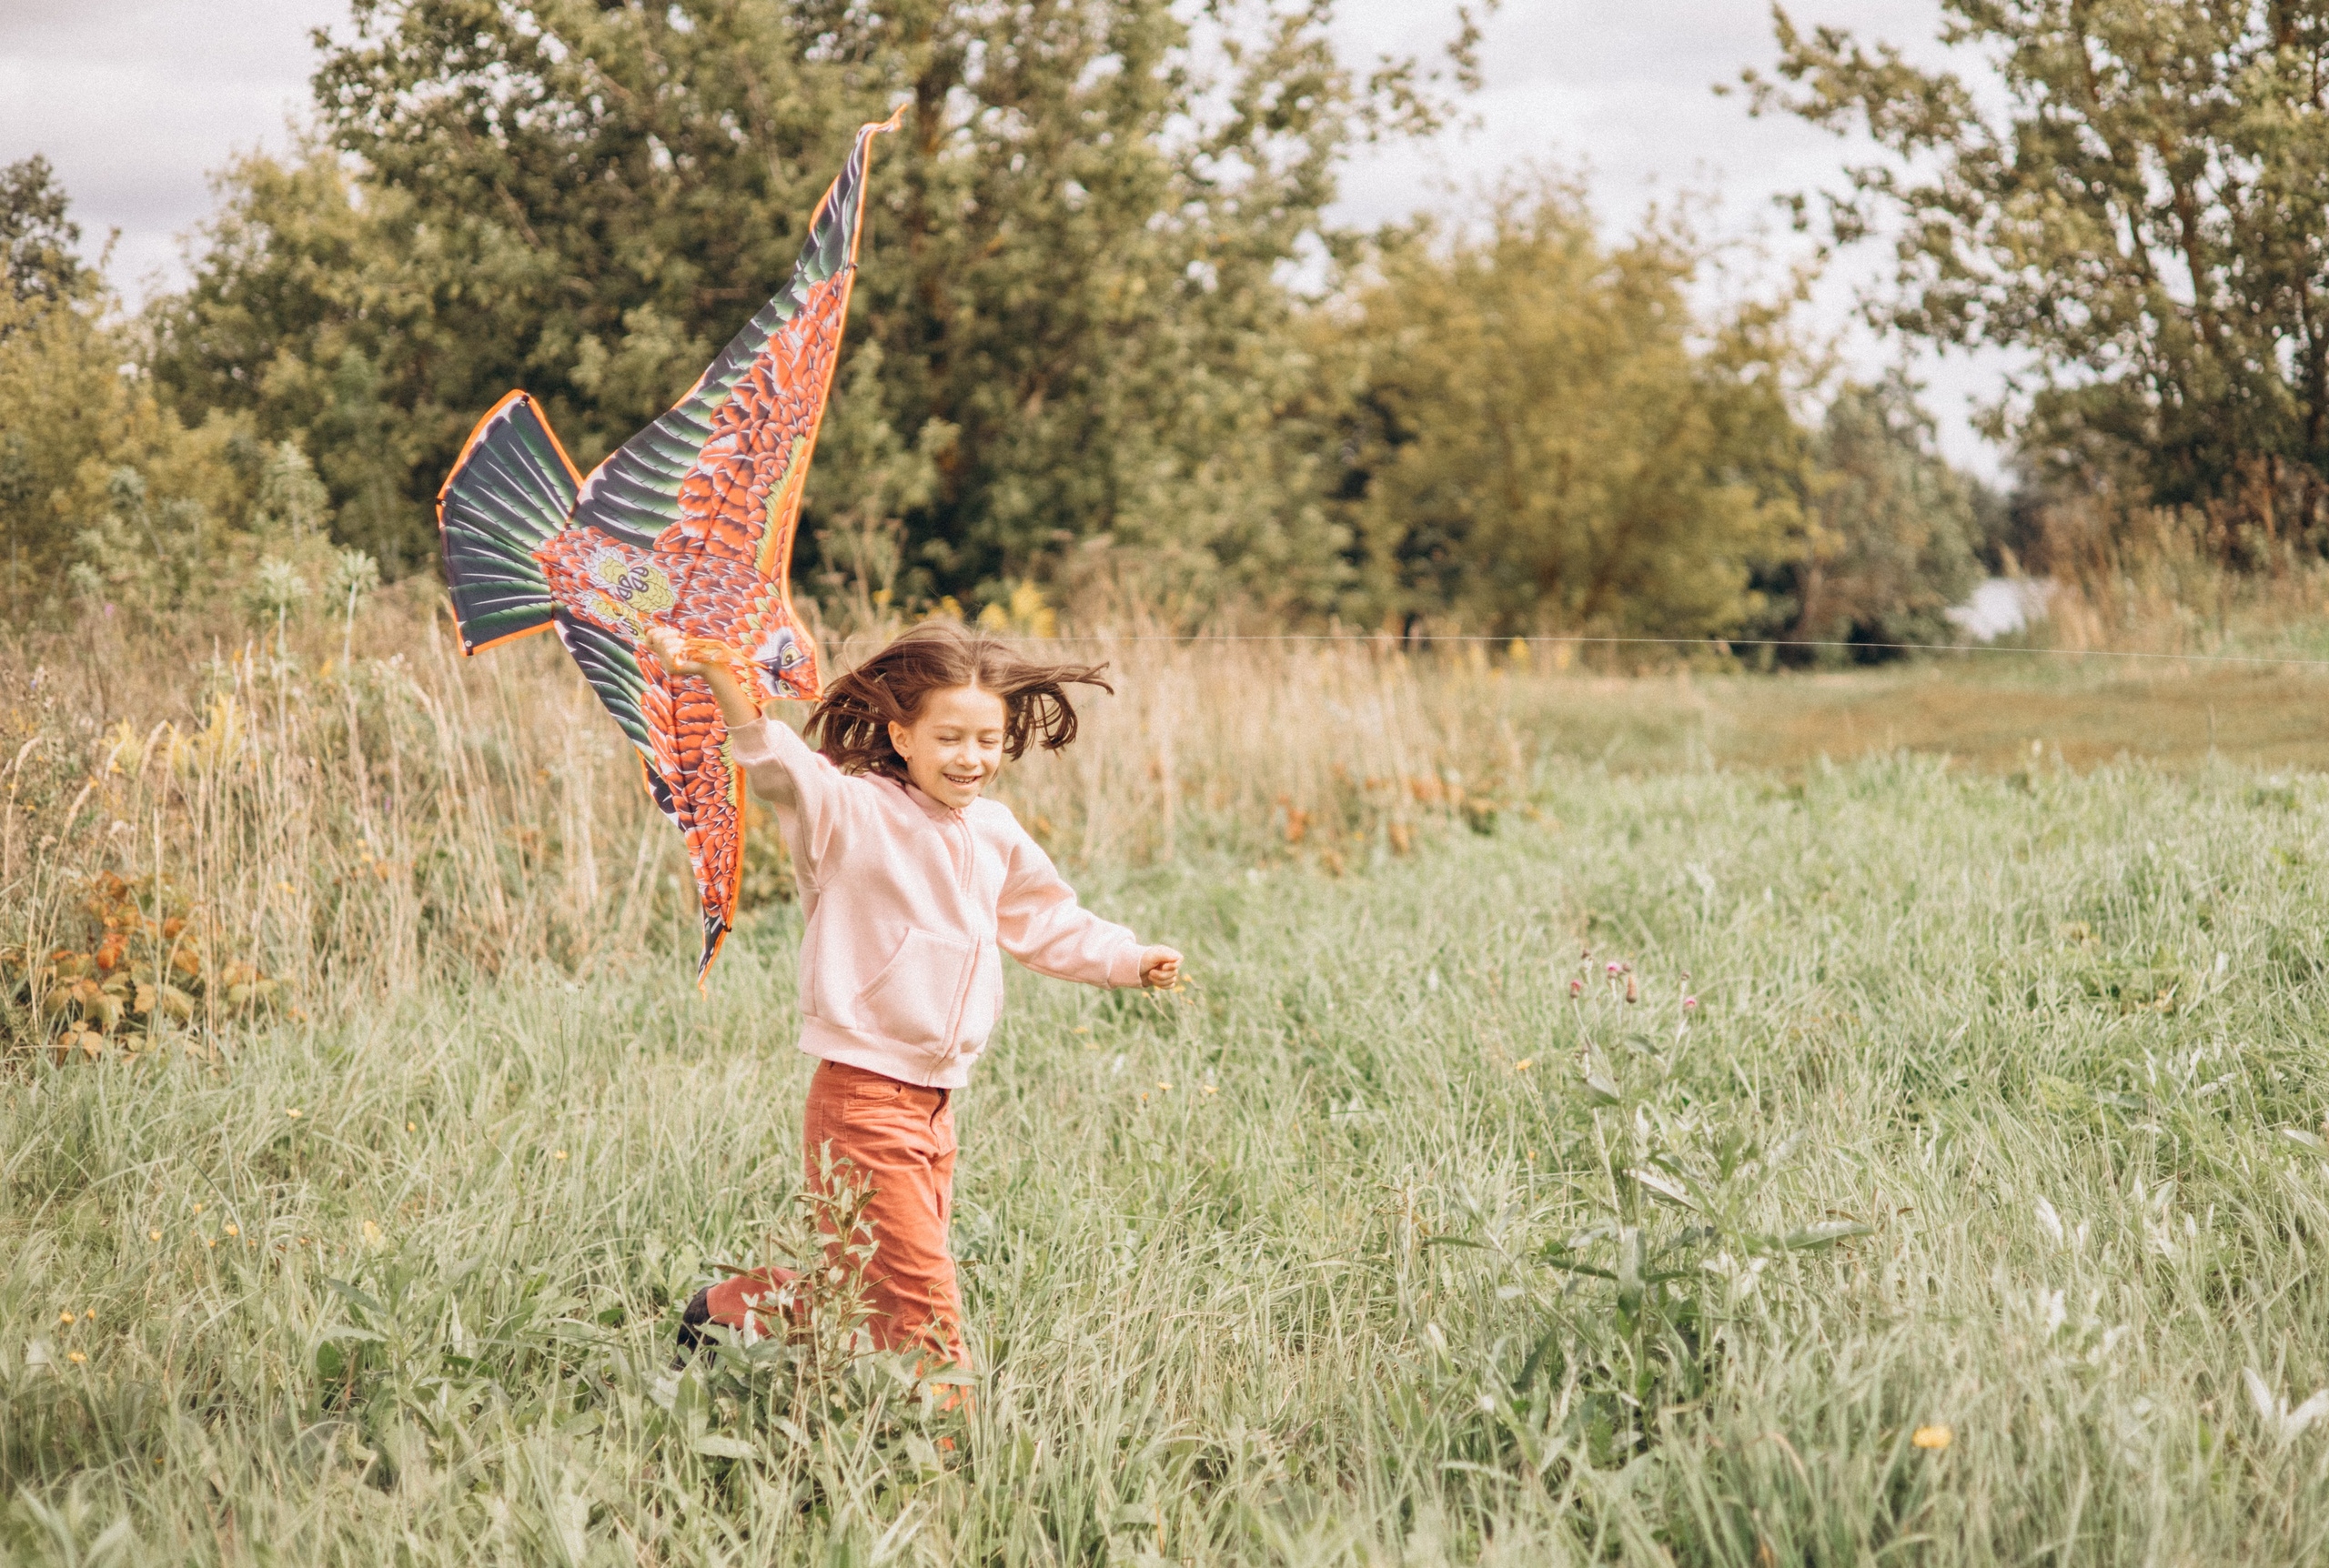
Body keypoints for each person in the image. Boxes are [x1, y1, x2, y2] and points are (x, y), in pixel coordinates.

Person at [643, 619, 1181, 1380]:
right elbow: (777, 768)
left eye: (987, 740)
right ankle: (943, 1472)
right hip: (862, 1098)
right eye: (950, 738)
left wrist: (1129, 958)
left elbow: (1045, 919)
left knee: (865, 1292)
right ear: (902, 736)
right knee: (925, 1314)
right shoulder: (854, 814)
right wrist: (725, 680)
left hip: (935, 1105)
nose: (971, 759)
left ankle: (723, 1311)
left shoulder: (993, 831)